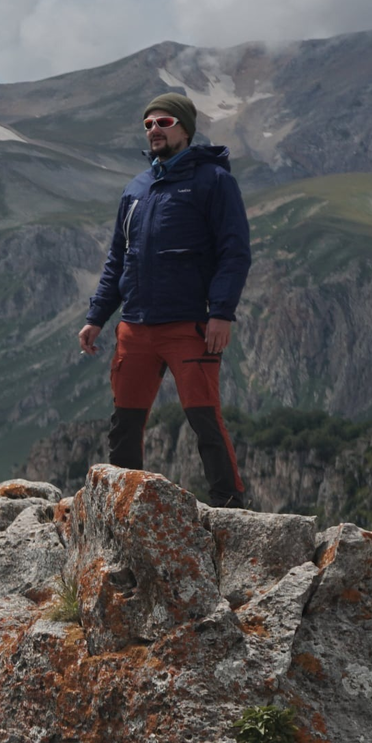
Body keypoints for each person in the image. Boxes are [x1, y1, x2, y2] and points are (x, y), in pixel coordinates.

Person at [76, 92, 252, 508]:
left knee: (204, 420)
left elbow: (234, 251)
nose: (154, 130)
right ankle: (123, 510)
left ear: (185, 129)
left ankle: (230, 510)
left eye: (164, 123)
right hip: (134, 327)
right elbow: (118, 257)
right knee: (125, 425)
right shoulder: (136, 189)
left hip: (189, 326)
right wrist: (97, 316)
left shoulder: (214, 181)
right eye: (148, 124)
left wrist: (221, 313)